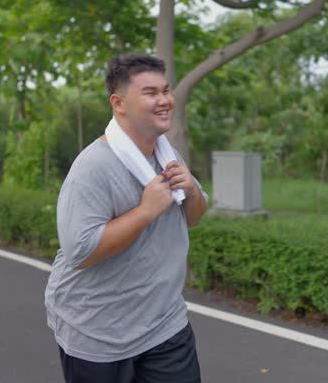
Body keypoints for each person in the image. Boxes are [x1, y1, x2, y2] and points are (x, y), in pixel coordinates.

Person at [45, 53, 207, 383]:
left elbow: (191, 218)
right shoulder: (93, 167)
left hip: (164, 323)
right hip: (97, 330)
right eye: (150, 93)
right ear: (119, 103)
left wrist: (191, 191)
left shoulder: (166, 153)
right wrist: (145, 211)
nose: (165, 101)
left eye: (166, 90)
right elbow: (81, 251)